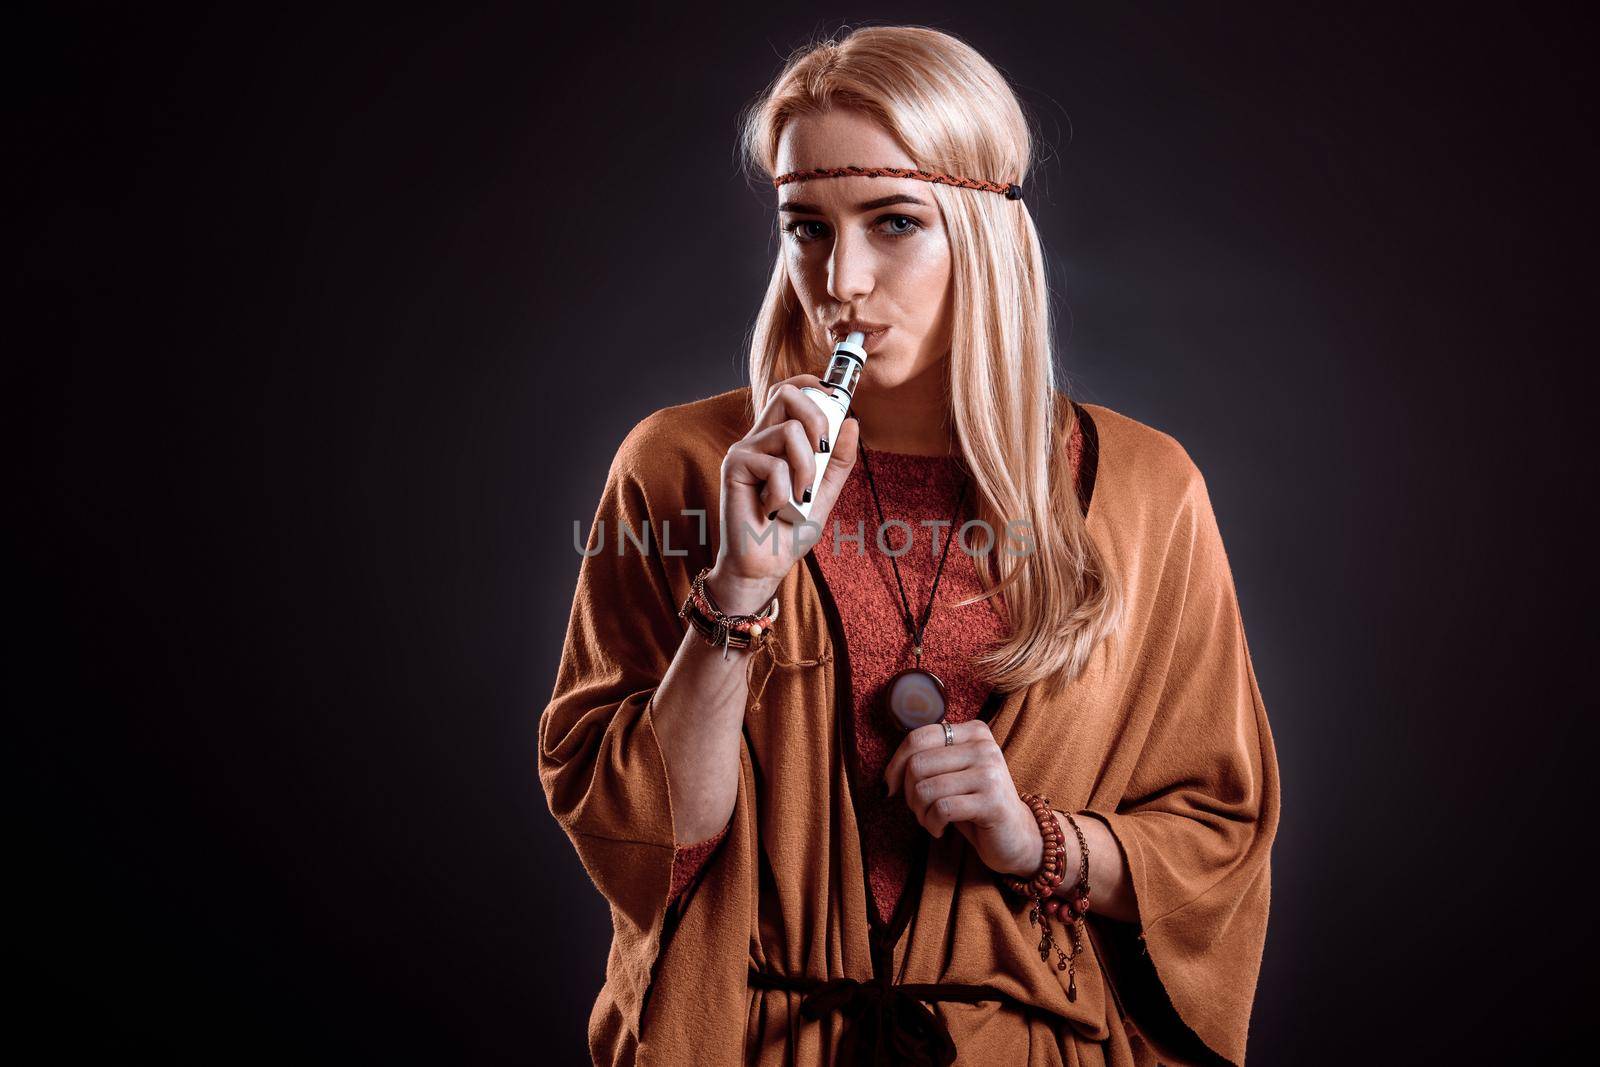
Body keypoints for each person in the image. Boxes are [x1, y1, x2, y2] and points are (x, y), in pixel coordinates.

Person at [538, 24, 1280, 1067]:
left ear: (981, 233)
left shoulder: (1148, 490)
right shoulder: (679, 466)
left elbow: (1218, 831)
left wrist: (1039, 839)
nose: (840, 277)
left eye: (893, 222)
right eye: (805, 227)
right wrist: (736, 589)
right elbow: (637, 843)